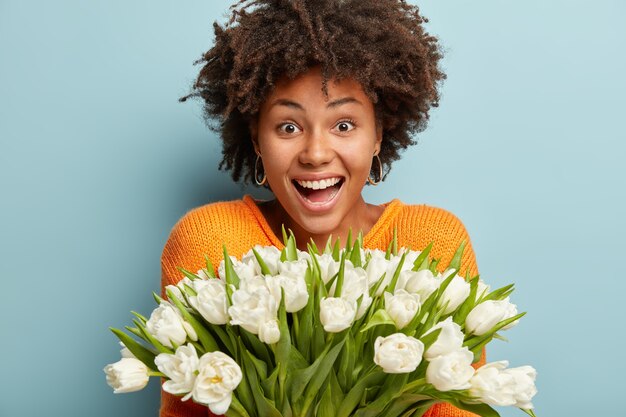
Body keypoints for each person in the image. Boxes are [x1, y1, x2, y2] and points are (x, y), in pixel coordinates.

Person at [160, 1, 484, 416]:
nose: (315, 153)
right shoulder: (210, 240)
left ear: (378, 135)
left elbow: (460, 406)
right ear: (257, 140)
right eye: (288, 127)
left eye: (344, 125)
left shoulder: (432, 240)